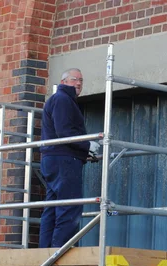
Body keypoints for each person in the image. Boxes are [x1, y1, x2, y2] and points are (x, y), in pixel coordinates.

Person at [39, 68, 99, 248]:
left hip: (54, 159)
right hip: (64, 160)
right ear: (63, 81)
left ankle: (46, 254)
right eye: (74, 80)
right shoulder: (63, 99)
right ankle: (60, 253)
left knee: (53, 207)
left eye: (81, 80)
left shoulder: (59, 100)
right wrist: (87, 145)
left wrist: (84, 150)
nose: (79, 83)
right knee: (69, 207)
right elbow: (64, 132)